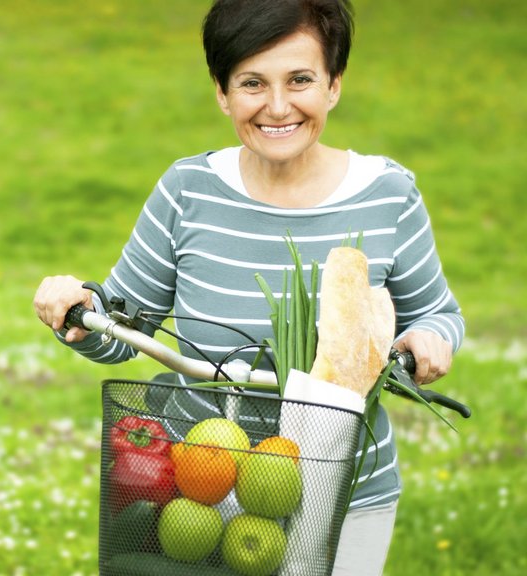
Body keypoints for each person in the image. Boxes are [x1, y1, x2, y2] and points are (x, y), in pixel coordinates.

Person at [33, 1, 464, 574]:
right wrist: (79, 311)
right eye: (252, 83)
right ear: (222, 92)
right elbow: (121, 325)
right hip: (202, 485)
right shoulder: (188, 189)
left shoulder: (387, 193)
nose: (278, 106)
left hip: (344, 486)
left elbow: (437, 313)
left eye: (301, 80)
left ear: (334, 85)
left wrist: (430, 339)